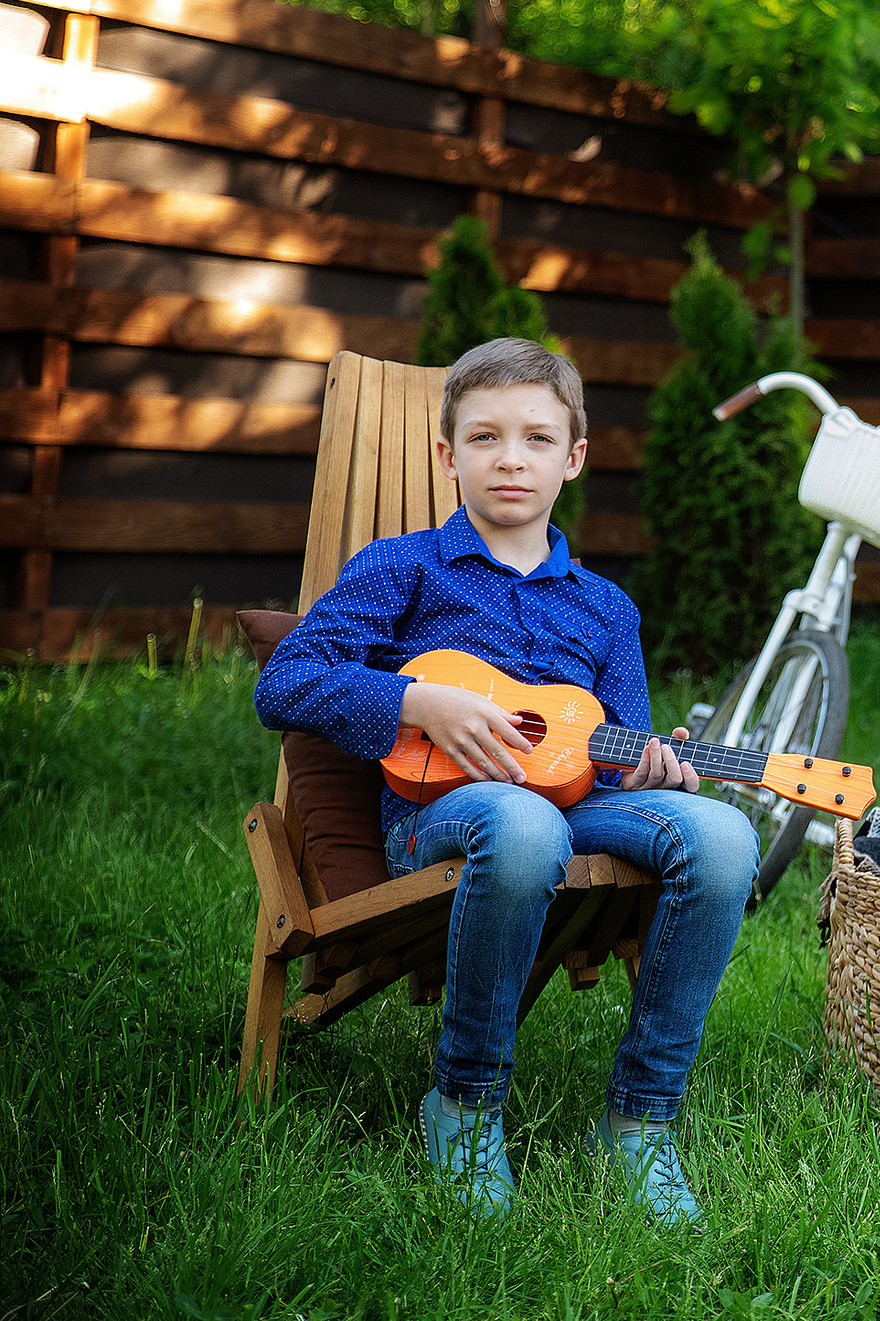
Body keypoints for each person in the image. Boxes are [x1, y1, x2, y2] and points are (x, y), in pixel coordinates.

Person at [256, 337, 758, 1225]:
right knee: (525, 823)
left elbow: (615, 753)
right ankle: (465, 1101)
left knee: (724, 835)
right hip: (442, 815)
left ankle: (640, 1120)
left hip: (577, 811)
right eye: (485, 437)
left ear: (574, 458)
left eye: (537, 438)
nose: (511, 458)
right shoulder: (401, 566)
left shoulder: (607, 607)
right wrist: (416, 700)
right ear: (448, 455)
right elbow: (285, 681)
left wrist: (655, 768)